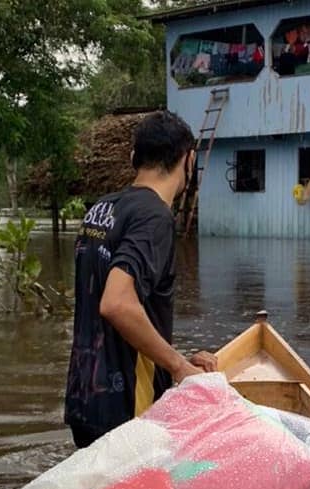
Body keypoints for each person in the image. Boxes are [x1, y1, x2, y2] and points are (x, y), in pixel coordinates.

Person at [64, 111, 218, 448]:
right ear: (188, 161)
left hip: (84, 398)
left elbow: (117, 314)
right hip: (126, 410)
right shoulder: (155, 217)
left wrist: (173, 362)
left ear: (134, 158)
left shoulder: (102, 209)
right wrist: (177, 366)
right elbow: (117, 304)